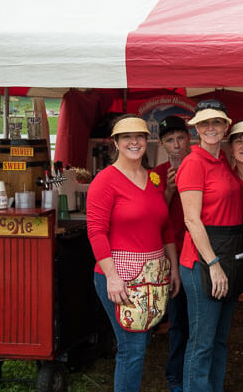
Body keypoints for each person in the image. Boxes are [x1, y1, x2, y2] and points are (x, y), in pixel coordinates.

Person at [87, 115, 181, 392]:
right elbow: (96, 232)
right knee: (132, 347)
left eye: (139, 136)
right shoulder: (105, 180)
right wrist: (113, 277)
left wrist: (173, 268)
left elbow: (165, 227)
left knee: (139, 343)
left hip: (153, 275)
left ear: (147, 140)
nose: (134, 142)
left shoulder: (153, 179)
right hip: (120, 276)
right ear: (115, 143)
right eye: (126, 137)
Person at [176, 99, 243, 392]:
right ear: (196, 128)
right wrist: (213, 263)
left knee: (219, 340)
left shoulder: (222, 162)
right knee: (202, 342)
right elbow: (192, 220)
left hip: (228, 256)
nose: (211, 128)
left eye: (216, 122)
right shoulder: (194, 163)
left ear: (226, 126)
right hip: (202, 261)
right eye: (204, 123)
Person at [152, 115, 192, 392]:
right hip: (174, 252)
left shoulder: (201, 163)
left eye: (180, 138)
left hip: (200, 250)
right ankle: (176, 377)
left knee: (200, 322)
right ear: (162, 144)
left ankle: (195, 374)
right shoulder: (157, 173)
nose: (176, 145)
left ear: (189, 138)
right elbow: (155, 218)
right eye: (170, 140)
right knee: (178, 320)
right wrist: (167, 190)